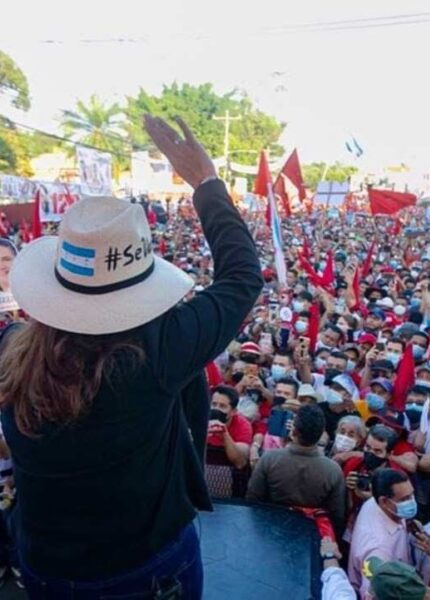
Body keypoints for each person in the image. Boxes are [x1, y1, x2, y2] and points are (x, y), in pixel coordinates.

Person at [0, 115, 263, 598]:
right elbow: (243, 276)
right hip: (146, 571)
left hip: (43, 566)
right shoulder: (161, 349)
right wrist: (205, 182)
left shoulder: (12, 347)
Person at [246, 404, 346, 533]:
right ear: (321, 434)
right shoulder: (333, 470)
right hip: (310, 534)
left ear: (293, 431)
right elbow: (337, 515)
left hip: (270, 529)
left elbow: (252, 500)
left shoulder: (269, 459)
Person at [348, 468, 417, 597]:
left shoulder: (378, 505)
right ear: (384, 501)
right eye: (404, 499)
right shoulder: (378, 550)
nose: (412, 502)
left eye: (412, 495)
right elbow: (372, 593)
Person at [207, 385, 252, 469]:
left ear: (233, 411)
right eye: (214, 404)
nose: (216, 409)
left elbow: (240, 463)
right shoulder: (200, 418)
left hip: (227, 469)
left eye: (222, 406)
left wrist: (224, 435)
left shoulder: (242, 424)